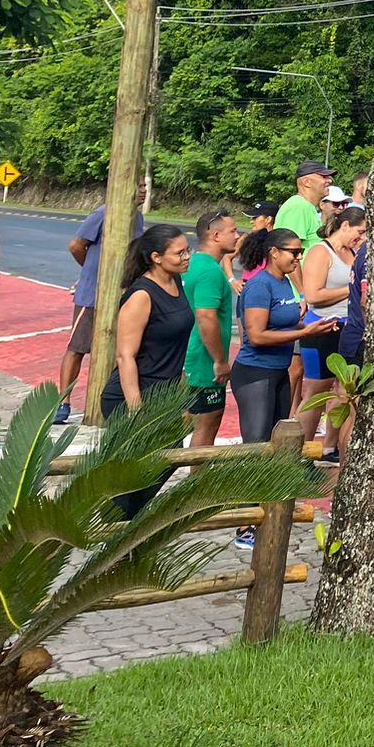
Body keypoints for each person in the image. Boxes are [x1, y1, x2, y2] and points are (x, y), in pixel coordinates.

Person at [230, 228, 336, 548]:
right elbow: (257, 335)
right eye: (293, 252)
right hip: (255, 374)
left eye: (300, 252)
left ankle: (268, 512)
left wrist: (313, 327)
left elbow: (287, 324)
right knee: (257, 447)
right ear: (274, 252)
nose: (298, 258)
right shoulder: (261, 285)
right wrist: (302, 334)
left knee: (276, 445)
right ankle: (245, 521)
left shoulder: (284, 281)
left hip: (276, 373)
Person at [100, 224, 195, 518]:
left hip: (165, 395)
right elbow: (125, 356)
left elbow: (174, 349)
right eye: (179, 253)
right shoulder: (142, 294)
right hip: (132, 395)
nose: (187, 257)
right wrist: (137, 411)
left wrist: (180, 398)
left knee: (167, 461)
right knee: (136, 476)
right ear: (156, 257)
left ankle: (123, 527)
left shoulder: (176, 283)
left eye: (187, 250)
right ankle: (114, 531)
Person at [54, 179, 146, 424]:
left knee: (121, 349)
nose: (143, 192)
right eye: (139, 187)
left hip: (122, 296)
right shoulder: (103, 213)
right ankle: (63, 402)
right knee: (78, 347)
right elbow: (76, 245)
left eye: (145, 187)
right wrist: (91, 272)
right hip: (92, 296)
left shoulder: (137, 218)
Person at [297, 205, 368, 461]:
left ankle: (330, 447)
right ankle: (300, 451)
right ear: (345, 225)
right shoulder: (320, 251)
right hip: (322, 327)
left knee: (343, 390)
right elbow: (314, 295)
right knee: (316, 391)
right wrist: (353, 290)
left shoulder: (352, 252)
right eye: (359, 231)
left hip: (347, 329)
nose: (361, 238)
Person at [185, 209, 240, 447]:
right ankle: (197, 482)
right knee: (205, 423)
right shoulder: (210, 272)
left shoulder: (192, 263)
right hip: (202, 362)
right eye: (233, 231)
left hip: (186, 356)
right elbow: (206, 317)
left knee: (182, 419)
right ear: (215, 236)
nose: (238, 236)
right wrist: (219, 360)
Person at [274, 161, 335, 255]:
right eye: (324, 177)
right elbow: (288, 253)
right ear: (306, 182)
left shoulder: (307, 207)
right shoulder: (298, 207)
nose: (330, 180)